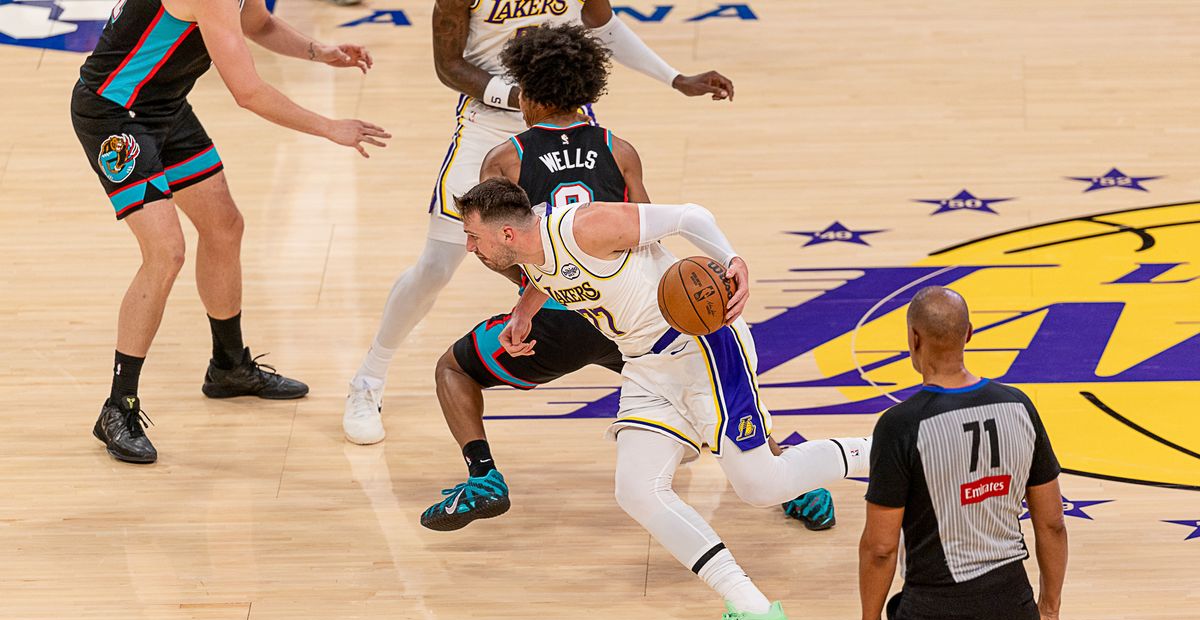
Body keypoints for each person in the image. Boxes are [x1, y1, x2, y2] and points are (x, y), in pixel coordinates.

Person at [420, 24, 836, 534]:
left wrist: (531, 297)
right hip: (635, 315)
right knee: (712, 380)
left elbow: (505, 252)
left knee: (453, 370)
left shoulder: (505, 158)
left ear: (525, 93)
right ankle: (792, 475)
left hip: (559, 316)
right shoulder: (619, 149)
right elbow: (643, 236)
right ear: (586, 88)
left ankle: (483, 476)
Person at [453, 177, 872, 620]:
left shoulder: (586, 227)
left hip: (701, 348)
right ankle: (752, 610)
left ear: (506, 235)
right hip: (647, 368)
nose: (469, 246)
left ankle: (896, 446)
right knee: (636, 488)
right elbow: (549, 278)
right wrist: (523, 312)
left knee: (762, 486)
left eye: (474, 236)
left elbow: (690, 216)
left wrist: (734, 261)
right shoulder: (530, 251)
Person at [342, 0, 737, 445]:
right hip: (491, 122)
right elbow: (450, 65)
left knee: (618, 250)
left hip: (563, 112)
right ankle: (368, 380)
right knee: (437, 264)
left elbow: (600, 22)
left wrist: (674, 77)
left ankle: (663, 398)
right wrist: (525, 96)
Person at [72, 0, 390, 463]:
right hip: (113, 113)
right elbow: (249, 92)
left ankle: (228, 366)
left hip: (163, 106)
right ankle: (117, 406)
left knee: (224, 227)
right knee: (166, 252)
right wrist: (329, 127)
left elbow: (257, 22)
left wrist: (319, 52)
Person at [858, 287, 1068, 620]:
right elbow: (1052, 524)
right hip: (1013, 609)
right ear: (969, 333)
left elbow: (881, 548)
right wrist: (1048, 608)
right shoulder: (1019, 406)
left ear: (913, 338)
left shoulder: (901, 426)